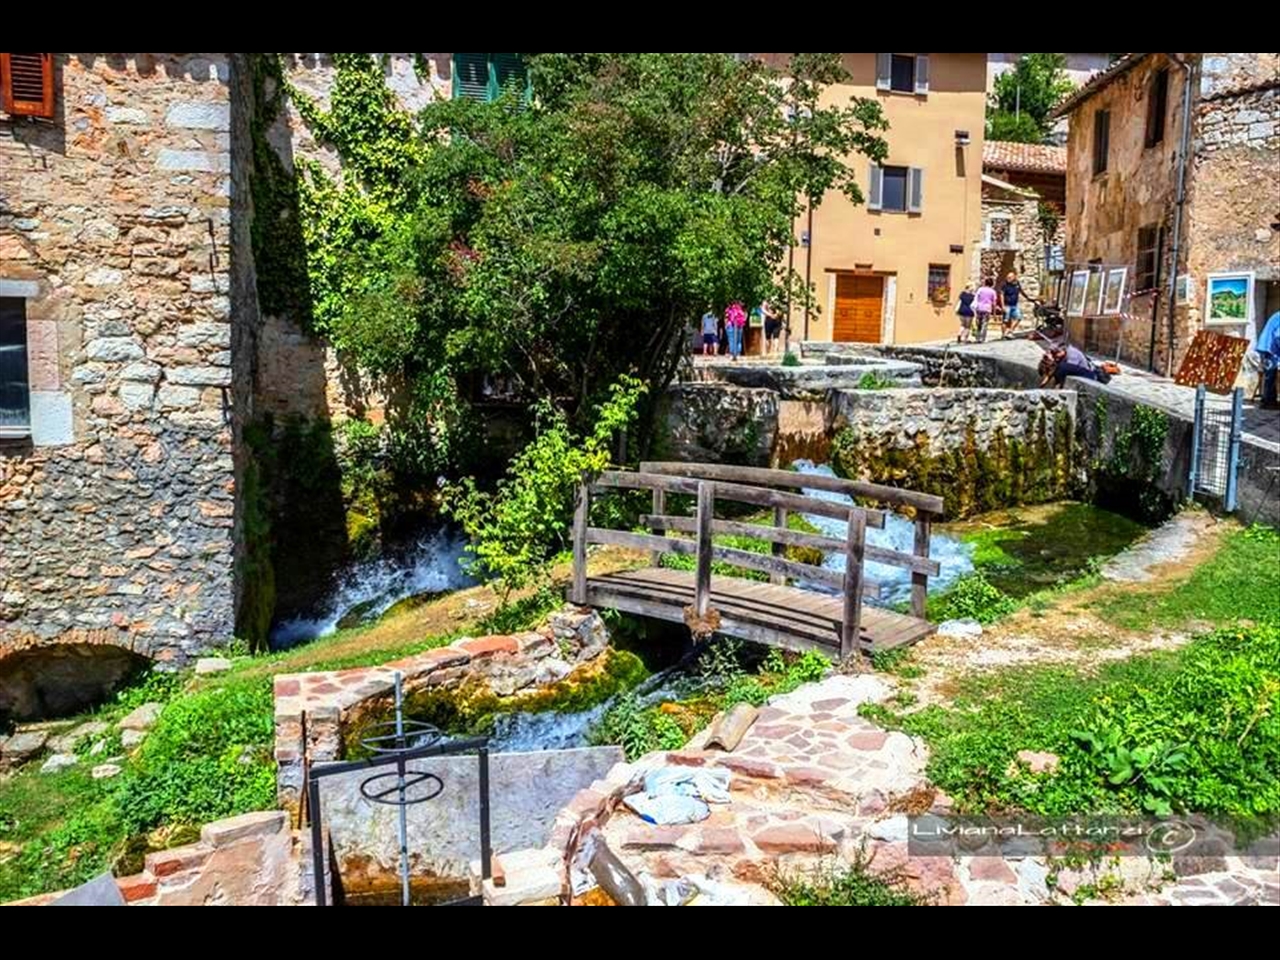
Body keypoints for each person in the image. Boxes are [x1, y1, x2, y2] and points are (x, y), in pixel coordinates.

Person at [1258, 309, 1280, 409]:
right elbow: (1278, 336)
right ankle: (1268, 402)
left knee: (1269, 375)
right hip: (1270, 349)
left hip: (1267, 347)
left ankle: (1267, 400)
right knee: (1270, 375)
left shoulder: (1277, 315)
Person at [999, 271, 1027, 339]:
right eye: (1007, 277)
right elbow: (1001, 295)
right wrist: (1002, 306)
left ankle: (1010, 331)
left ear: (1014, 277)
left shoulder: (1017, 284)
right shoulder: (1005, 285)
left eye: (1010, 277)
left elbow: (1021, 291)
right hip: (1007, 305)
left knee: (1018, 317)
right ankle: (1003, 335)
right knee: (1005, 320)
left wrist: (1028, 298)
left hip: (1014, 305)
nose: (1008, 278)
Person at [973, 277, 998, 343]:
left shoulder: (980, 289)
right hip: (987, 309)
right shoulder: (993, 292)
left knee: (979, 323)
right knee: (985, 324)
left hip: (979, 308)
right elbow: (994, 303)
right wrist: (994, 313)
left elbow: (976, 298)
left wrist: (975, 308)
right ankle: (982, 338)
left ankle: (977, 338)